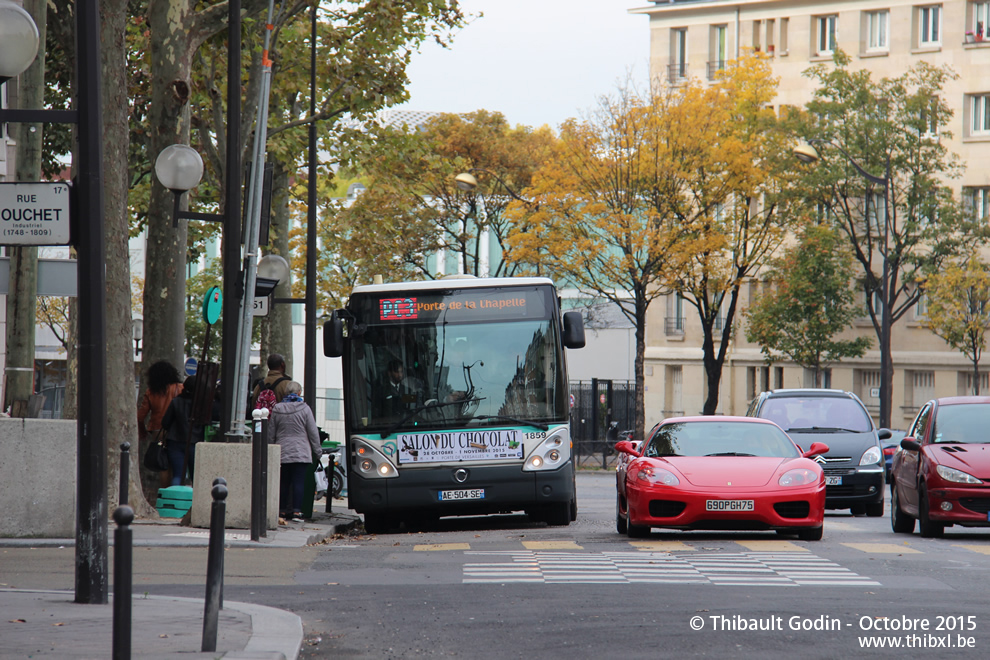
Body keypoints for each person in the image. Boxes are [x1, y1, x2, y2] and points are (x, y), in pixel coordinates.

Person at [269, 381, 321, 521]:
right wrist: (318, 451)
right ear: (299, 393)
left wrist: (270, 449)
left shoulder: (277, 409)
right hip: (301, 451)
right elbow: (313, 432)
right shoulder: (304, 409)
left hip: (282, 451)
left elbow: (271, 432)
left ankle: (282, 511)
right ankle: (297, 512)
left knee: (283, 482)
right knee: (299, 482)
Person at [137, 360, 184, 494]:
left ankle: (163, 494)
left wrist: (142, 432)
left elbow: (140, 416)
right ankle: (175, 494)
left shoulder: (151, 392)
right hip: (177, 430)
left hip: (158, 431)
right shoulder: (180, 388)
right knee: (178, 465)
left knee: (163, 464)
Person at [161, 376, 204, 485]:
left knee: (178, 475)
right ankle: (195, 500)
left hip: (175, 441)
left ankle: (176, 499)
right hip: (195, 442)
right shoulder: (201, 405)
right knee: (196, 476)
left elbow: (165, 423)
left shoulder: (176, 402)